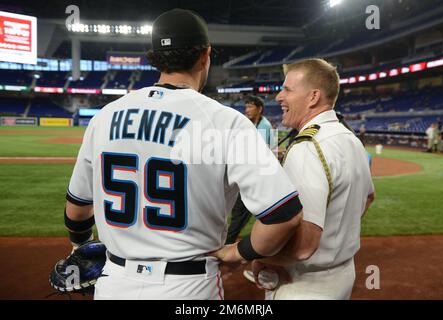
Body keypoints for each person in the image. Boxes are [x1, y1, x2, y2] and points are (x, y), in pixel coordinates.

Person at [61, 8, 303, 300]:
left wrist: (81, 247)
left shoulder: (104, 117)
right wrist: (238, 252)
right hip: (189, 286)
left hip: (114, 283)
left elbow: (77, 211)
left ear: (154, 58)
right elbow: (284, 215)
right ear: (205, 55)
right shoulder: (226, 121)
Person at [241, 58, 375, 299]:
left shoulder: (307, 147)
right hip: (341, 274)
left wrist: (258, 256)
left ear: (313, 97)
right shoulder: (351, 139)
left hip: (303, 284)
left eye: (287, 89)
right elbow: (369, 197)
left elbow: (303, 247)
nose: (279, 97)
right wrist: (335, 236)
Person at [225, 95, 274, 245]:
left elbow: (255, 153)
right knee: (240, 212)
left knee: (240, 213)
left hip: (256, 176)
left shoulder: (264, 126)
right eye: (246, 106)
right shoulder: (252, 123)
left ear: (259, 109)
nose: (247, 109)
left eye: (250, 106)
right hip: (250, 174)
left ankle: (228, 244)